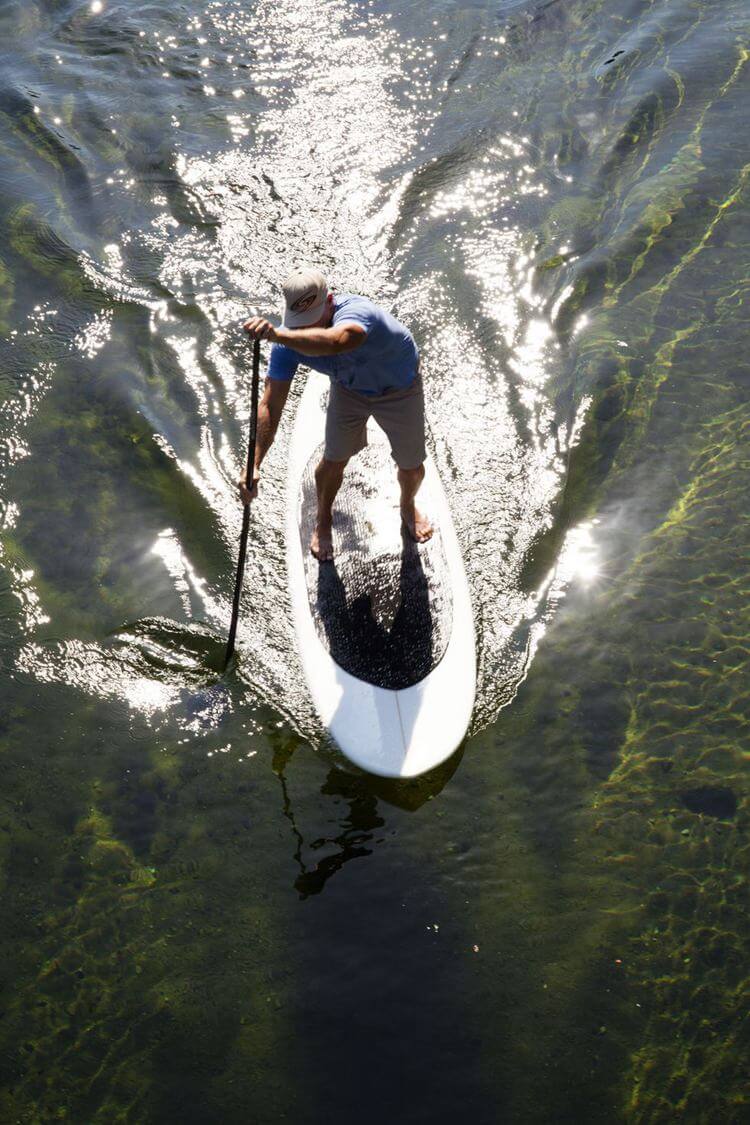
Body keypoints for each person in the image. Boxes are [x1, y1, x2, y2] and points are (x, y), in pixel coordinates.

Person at [241, 267, 432, 561]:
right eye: (298, 323)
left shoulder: (358, 312)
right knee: (332, 461)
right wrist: (254, 463)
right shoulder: (286, 343)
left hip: (400, 389)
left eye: (311, 321)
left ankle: (407, 505)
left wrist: (278, 334)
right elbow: (270, 405)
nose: (302, 330)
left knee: (411, 466)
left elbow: (337, 342)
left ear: (329, 301)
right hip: (349, 390)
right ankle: (323, 519)